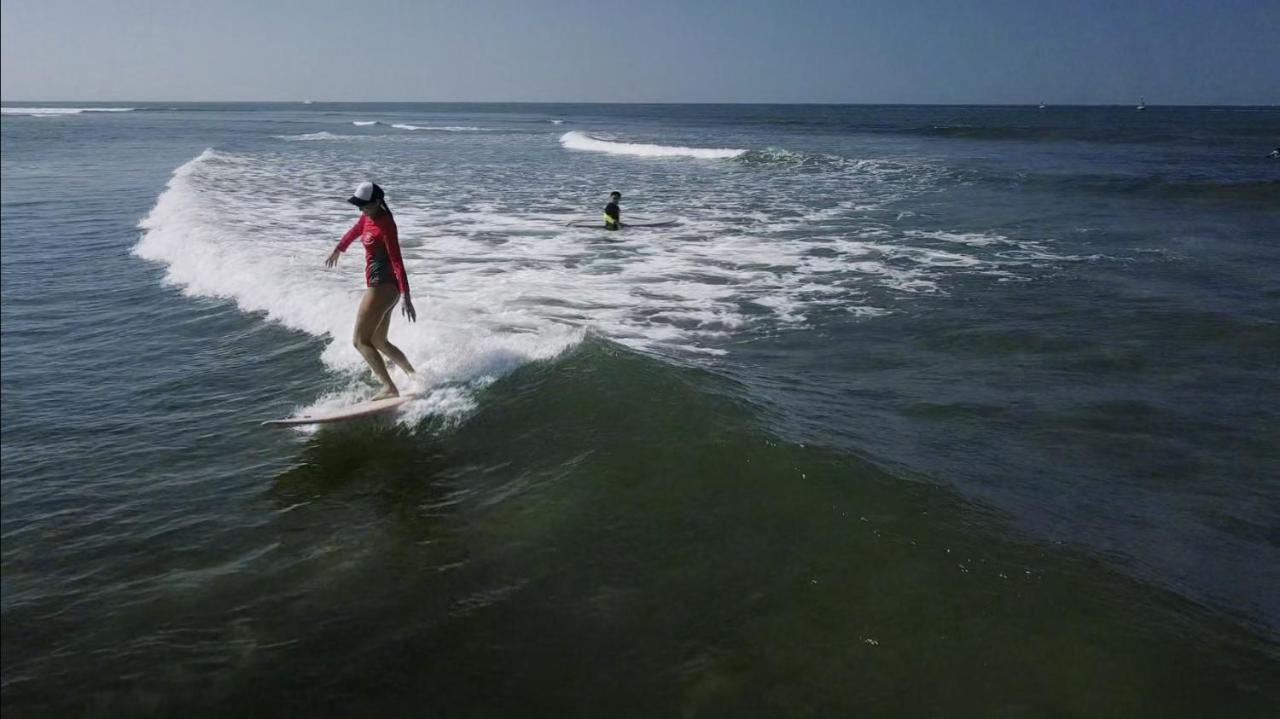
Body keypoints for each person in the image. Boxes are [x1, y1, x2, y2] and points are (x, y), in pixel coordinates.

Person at [325, 182, 417, 399]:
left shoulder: (386, 224)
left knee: (359, 341)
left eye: (364, 205)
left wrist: (406, 294)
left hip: (382, 287)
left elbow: (396, 259)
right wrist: (339, 248)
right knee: (378, 340)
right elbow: (355, 230)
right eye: (359, 206)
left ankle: (389, 387)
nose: (361, 210)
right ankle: (414, 377)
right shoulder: (367, 217)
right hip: (383, 288)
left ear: (377, 202)